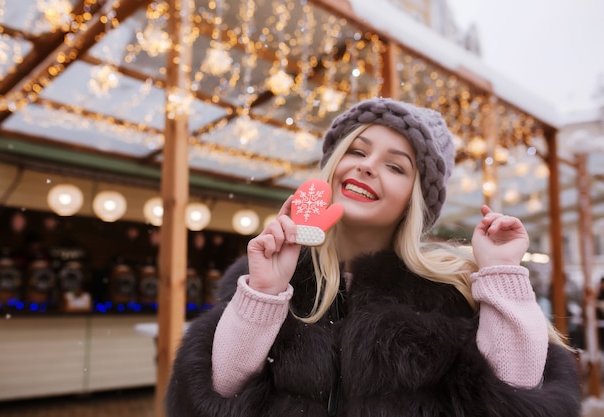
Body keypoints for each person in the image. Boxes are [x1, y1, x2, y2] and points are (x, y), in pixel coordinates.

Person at [166, 98, 581, 416]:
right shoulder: (273, 281)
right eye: (358, 152)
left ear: (414, 202)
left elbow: (519, 402)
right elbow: (215, 400)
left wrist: (501, 272)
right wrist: (264, 293)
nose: (367, 167)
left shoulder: (455, 289)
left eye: (396, 167)